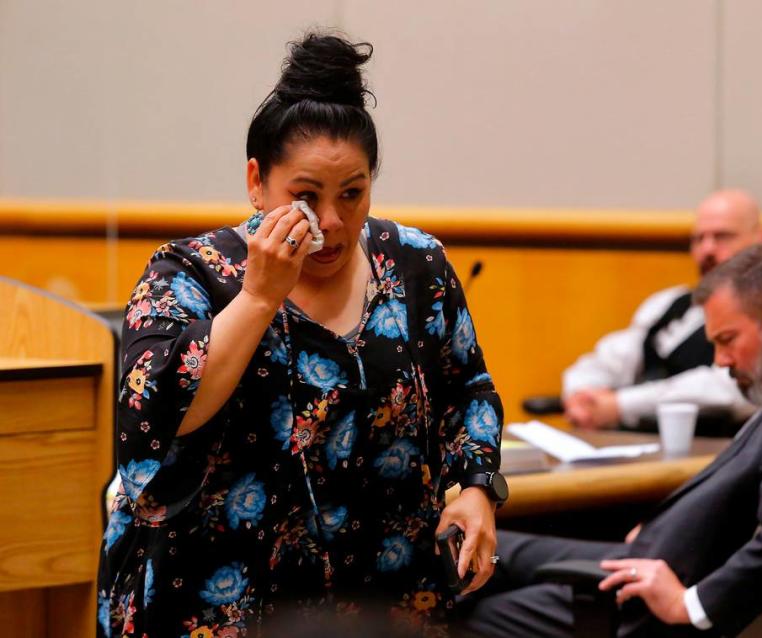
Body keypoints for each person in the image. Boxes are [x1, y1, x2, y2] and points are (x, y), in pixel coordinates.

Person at [97, 33, 506, 637]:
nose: (333, 223)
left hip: (380, 599)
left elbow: (468, 388)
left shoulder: (417, 265)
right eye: (306, 197)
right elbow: (160, 416)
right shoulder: (188, 274)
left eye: (353, 193)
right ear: (256, 182)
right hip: (217, 603)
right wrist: (259, 296)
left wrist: (477, 489)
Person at [462, 245, 762, 638]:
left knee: (462, 613)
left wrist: (690, 604)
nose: (722, 362)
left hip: (643, 601)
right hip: (650, 554)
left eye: (728, 341)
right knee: (480, 544)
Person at [562, 189, 762, 433]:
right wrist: (582, 396)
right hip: (633, 446)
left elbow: (726, 390)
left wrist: (620, 405)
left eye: (722, 236)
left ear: (761, 241)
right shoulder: (667, 303)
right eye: (698, 239)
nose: (707, 249)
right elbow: (609, 359)